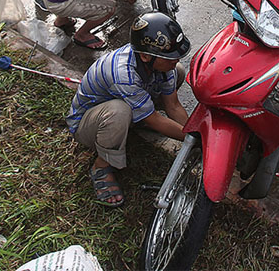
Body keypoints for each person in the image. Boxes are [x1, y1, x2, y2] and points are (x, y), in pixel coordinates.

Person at [67, 12, 190, 206]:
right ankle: (101, 166)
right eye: (169, 57)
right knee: (119, 111)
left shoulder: (159, 63)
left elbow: (173, 105)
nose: (174, 60)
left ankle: (134, 122)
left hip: (124, 109)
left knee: (179, 71)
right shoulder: (122, 73)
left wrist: (194, 133)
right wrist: (196, 140)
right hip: (88, 125)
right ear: (145, 56)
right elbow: (154, 118)